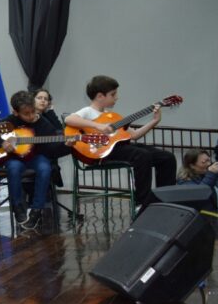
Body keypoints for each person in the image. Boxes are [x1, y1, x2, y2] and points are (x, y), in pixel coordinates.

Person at [64, 75, 176, 209]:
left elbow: (133, 135)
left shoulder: (112, 116)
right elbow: (69, 120)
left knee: (167, 157)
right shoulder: (88, 111)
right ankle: (142, 203)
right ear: (100, 96)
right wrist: (98, 126)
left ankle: (165, 200)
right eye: (113, 94)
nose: (116, 97)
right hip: (102, 152)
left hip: (121, 148)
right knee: (142, 155)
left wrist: (154, 121)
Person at [0, 90, 67, 230]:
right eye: (26, 114)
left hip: (36, 157)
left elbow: (54, 148)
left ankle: (36, 209)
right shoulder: (10, 121)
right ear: (16, 112)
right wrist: (1, 143)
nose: (31, 116)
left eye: (32, 112)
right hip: (15, 158)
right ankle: (18, 207)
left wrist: (66, 145)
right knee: (13, 168)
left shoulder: (43, 123)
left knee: (45, 168)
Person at [177, 149, 218, 214]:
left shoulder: (216, 176)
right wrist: (211, 174)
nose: (209, 164)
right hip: (205, 218)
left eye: (209, 160)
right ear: (192, 165)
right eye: (204, 162)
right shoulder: (184, 181)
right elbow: (200, 194)